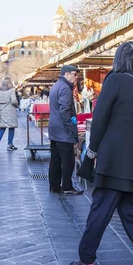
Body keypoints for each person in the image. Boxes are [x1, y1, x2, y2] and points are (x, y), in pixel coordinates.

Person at [69, 41, 133, 265]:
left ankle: (86, 261)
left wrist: (91, 151)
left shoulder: (114, 80)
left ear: (119, 58)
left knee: (100, 209)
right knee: (131, 211)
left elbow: (99, 119)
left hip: (114, 159)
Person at [48, 65, 83, 196]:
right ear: (67, 74)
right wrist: (71, 129)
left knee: (55, 160)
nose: (76, 77)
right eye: (74, 74)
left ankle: (54, 185)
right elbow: (65, 111)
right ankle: (67, 186)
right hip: (63, 131)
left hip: (55, 130)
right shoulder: (65, 88)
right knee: (68, 160)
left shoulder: (57, 85)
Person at [0, 76, 18, 151]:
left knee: (2, 127)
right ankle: (9, 144)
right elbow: (13, 101)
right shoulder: (11, 91)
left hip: (1, 111)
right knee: (11, 127)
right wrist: (17, 104)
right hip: (10, 111)